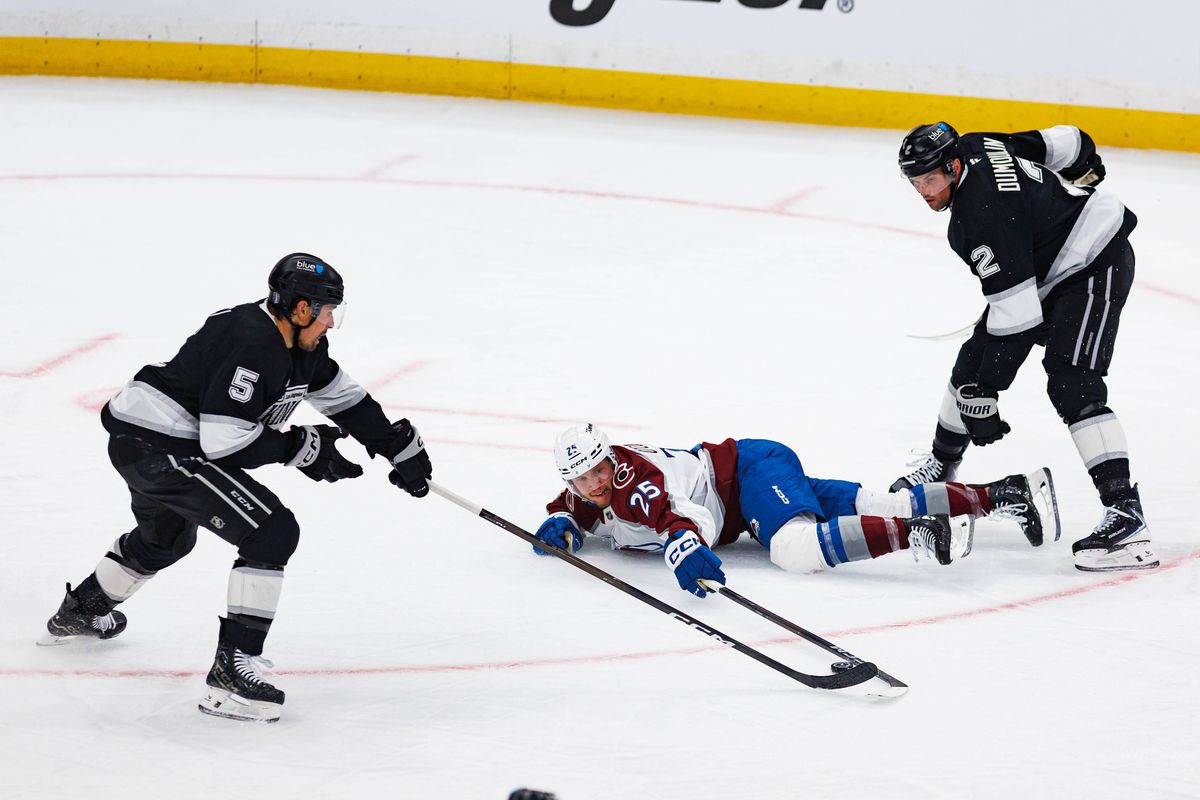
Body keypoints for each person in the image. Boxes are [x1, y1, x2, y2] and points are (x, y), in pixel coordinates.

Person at [41, 253, 434, 722]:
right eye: (328, 311)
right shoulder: (252, 343)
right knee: (270, 532)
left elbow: (340, 396)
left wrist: (395, 445)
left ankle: (82, 611)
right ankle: (230, 676)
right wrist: (300, 448)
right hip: (161, 449)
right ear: (301, 308)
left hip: (147, 441)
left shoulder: (297, 344)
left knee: (165, 539)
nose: (332, 322)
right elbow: (225, 442)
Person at [892, 121, 1156, 573]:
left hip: (1095, 260)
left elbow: (1019, 319)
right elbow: (1065, 140)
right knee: (972, 358)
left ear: (954, 167)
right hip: (1051, 265)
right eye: (914, 182)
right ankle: (941, 464)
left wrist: (987, 391)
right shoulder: (977, 144)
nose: (923, 191)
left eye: (930, 180)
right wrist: (1085, 162)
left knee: (1072, 380)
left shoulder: (980, 220)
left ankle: (1128, 518)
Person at [531, 424, 1058, 597]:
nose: (597, 482)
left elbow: (677, 514)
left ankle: (918, 533)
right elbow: (574, 510)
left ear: (609, 456)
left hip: (745, 478)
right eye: (584, 478)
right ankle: (1007, 494)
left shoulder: (629, 481)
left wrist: (682, 541)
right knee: (870, 503)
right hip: (752, 473)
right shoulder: (584, 495)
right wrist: (563, 525)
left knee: (793, 548)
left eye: (600, 468)